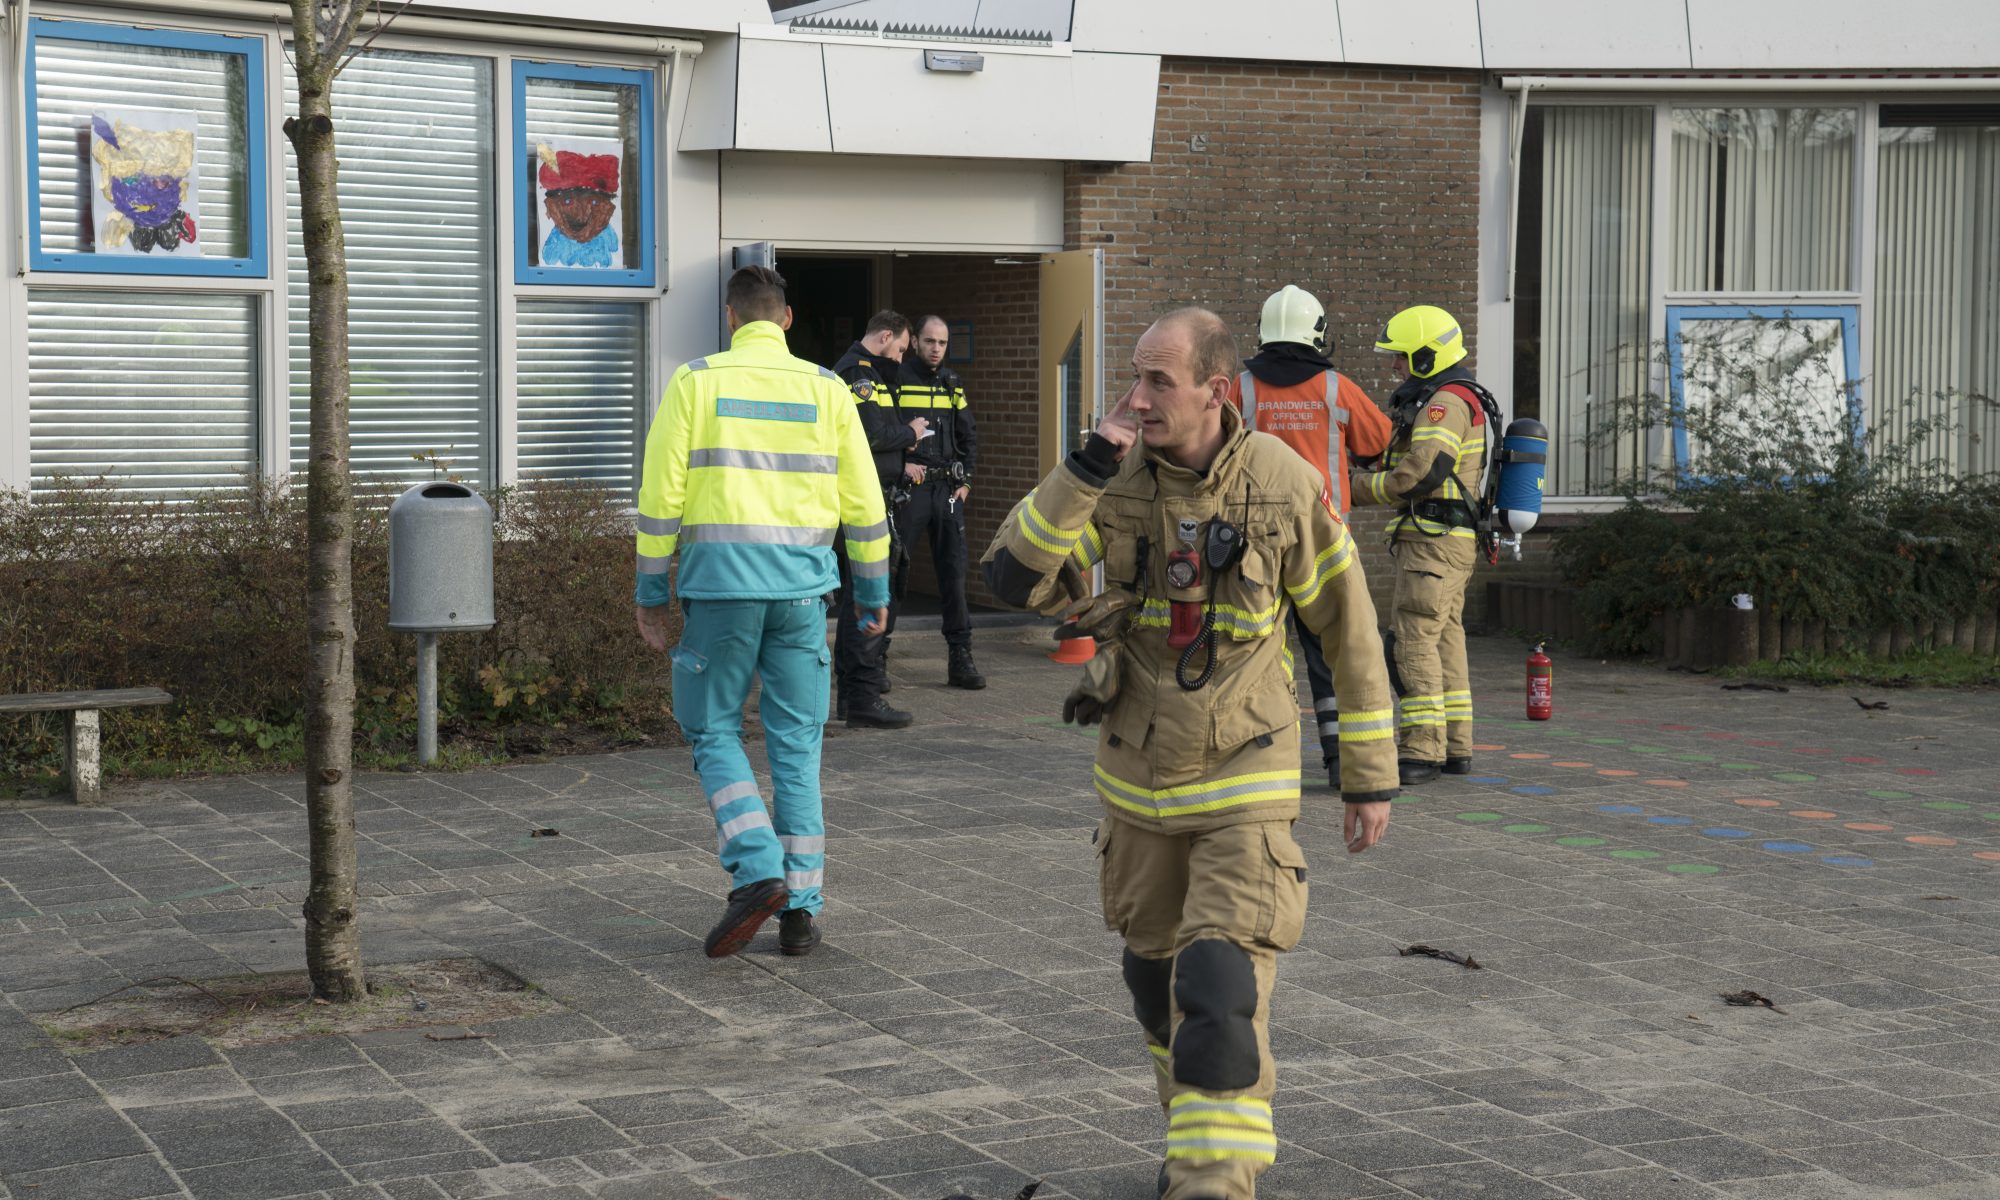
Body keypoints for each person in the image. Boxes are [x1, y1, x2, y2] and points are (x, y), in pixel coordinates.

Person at [982, 308, 1397, 1200]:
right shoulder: (1112, 478)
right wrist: (1086, 467)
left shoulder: (1282, 486)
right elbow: (1011, 578)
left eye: (1157, 381)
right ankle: (1195, 1146)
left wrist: (1367, 775)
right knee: (1156, 990)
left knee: (1217, 990)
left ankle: (1214, 1184)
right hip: (1134, 787)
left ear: (1216, 390)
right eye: (1134, 378)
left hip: (1245, 776)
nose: (1137, 398)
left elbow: (1349, 630)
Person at [634, 265, 891, 959]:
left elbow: (661, 495)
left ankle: (756, 871)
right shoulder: (827, 388)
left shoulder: (696, 382)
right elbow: (864, 502)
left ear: (729, 317)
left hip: (720, 595)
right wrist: (874, 593)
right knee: (797, 746)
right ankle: (801, 910)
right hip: (804, 598)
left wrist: (651, 592)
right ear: (785, 319)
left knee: (713, 730)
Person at [1228, 285, 1392, 788]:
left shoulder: (1239, 389)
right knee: (1334, 651)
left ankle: (1256, 758)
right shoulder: (1338, 389)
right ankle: (1343, 761)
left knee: (1251, 648)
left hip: (1250, 542)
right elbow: (1380, 445)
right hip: (1324, 540)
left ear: (1263, 334)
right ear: (1317, 334)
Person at [1349, 304, 1489, 785]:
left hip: (1433, 539)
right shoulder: (1456, 396)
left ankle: (1421, 749)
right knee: (1444, 640)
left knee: (1408, 642)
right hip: (1449, 540)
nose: (1395, 367)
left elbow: (1422, 473)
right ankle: (1455, 746)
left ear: (1428, 357)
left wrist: (1353, 489)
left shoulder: (1443, 403)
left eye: (1401, 358)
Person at [832, 311, 923, 729]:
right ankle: (861, 698)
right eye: (901, 347)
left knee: (863, 595)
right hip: (862, 502)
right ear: (885, 336)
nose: (901, 358)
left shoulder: (872, 373)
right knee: (868, 594)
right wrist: (912, 435)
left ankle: (856, 698)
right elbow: (871, 436)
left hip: (876, 495)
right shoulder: (857, 374)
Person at [896, 315, 985, 690]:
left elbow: (969, 435)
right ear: (915, 341)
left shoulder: (952, 383)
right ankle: (875, 653)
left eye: (942, 343)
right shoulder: (896, 380)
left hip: (947, 492)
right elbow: (880, 433)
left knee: (953, 575)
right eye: (929, 341)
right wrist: (900, 464)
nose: (936, 349)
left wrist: (968, 480)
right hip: (911, 491)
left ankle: (960, 657)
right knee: (894, 572)